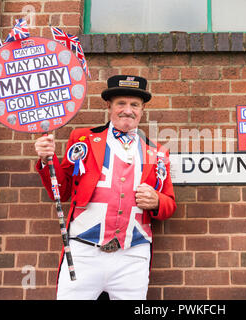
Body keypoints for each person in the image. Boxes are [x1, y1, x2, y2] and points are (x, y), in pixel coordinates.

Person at [34, 75, 176, 300]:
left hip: (133, 254)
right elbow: (60, 192)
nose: (127, 110)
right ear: (109, 105)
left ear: (142, 110)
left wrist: (158, 201)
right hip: (83, 250)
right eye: (121, 103)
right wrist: (46, 160)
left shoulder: (157, 152)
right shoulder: (83, 138)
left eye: (135, 105)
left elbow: (170, 204)